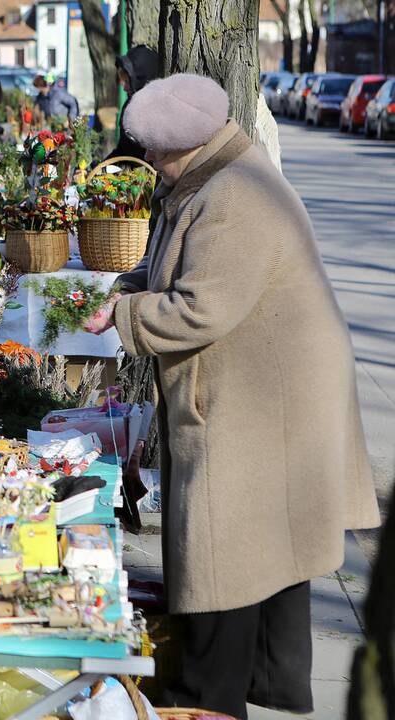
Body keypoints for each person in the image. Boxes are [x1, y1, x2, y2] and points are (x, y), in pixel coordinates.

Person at [83, 73, 381, 719]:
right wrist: (127, 284)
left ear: (178, 148)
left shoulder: (233, 195)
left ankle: (206, 700)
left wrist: (126, 315)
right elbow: (175, 262)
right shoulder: (210, 178)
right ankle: (268, 682)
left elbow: (200, 307)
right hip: (267, 390)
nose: (150, 168)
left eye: (154, 155)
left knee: (223, 548)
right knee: (274, 543)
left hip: (260, 400)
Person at [105, 45, 159, 161]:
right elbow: (123, 150)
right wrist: (100, 168)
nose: (124, 88)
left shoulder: (156, 108)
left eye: (127, 81)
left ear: (140, 78)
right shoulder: (130, 105)